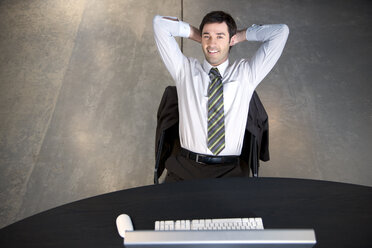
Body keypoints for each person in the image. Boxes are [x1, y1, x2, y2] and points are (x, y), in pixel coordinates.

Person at [153, 11, 289, 182]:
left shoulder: (246, 73)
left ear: (231, 40)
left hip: (230, 171)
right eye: (207, 36)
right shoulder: (184, 70)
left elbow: (280, 32)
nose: (212, 43)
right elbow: (159, 24)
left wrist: (239, 36)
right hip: (185, 168)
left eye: (219, 36)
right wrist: (199, 36)